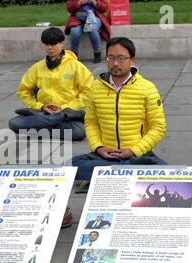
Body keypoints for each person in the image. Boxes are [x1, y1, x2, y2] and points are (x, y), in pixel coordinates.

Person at [71, 37, 167, 181]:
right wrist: (99, 148)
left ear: (132, 60)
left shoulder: (147, 88)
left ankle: (110, 175)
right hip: (105, 155)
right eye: (110, 58)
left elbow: (158, 127)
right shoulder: (96, 87)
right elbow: (91, 123)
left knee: (168, 174)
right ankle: (121, 175)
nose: (115, 63)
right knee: (68, 168)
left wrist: (133, 151)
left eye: (121, 58)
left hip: (137, 156)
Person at [9, 27, 93, 141]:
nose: (49, 47)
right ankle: (49, 125)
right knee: (14, 123)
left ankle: (40, 128)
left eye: (53, 44)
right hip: (43, 113)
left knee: (78, 131)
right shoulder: (37, 67)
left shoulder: (76, 66)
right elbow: (23, 90)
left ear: (61, 44)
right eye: (46, 44)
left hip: (68, 113)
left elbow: (89, 91)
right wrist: (40, 106)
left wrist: (64, 108)